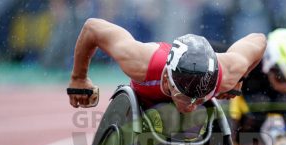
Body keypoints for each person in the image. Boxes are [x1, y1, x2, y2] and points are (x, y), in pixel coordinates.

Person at [67, 18, 266, 113]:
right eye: (186, 98)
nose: (191, 106)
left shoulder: (228, 72)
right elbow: (92, 28)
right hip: (146, 101)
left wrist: (239, 81)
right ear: (166, 78)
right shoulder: (140, 62)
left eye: (200, 98)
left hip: (185, 117)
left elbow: (259, 40)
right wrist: (79, 77)